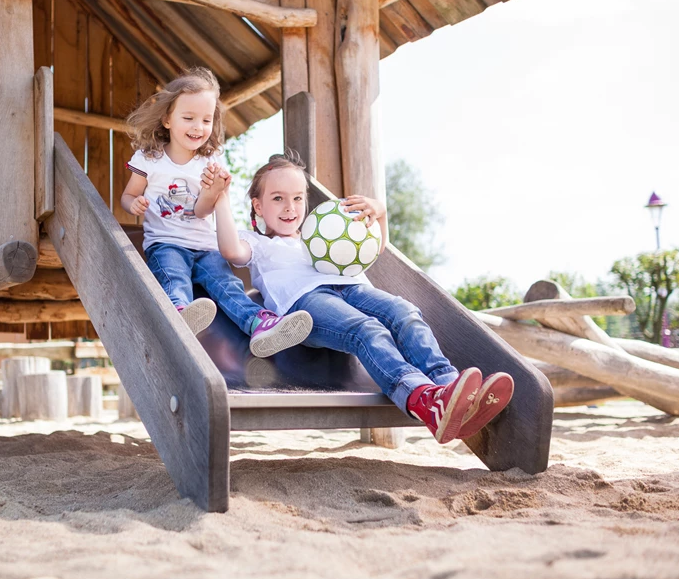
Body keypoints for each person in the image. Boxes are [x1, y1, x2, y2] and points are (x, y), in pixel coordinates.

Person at [206, 152, 514, 443]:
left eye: (298, 198)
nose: (290, 208)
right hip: (306, 304)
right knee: (366, 329)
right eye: (278, 199)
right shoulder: (256, 242)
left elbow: (374, 249)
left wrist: (380, 214)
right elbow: (231, 251)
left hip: (352, 288)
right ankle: (422, 398)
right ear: (258, 206)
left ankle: (449, 387)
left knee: (404, 311)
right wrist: (221, 198)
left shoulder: (322, 233)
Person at [119, 68, 312, 357]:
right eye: (189, 118)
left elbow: (200, 210)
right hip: (166, 242)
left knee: (227, 284)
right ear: (167, 119)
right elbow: (128, 194)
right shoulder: (150, 159)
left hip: (205, 246)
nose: (198, 127)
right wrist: (132, 203)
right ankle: (179, 313)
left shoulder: (210, 161)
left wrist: (215, 191)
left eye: (206, 120)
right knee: (173, 275)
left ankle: (259, 324)